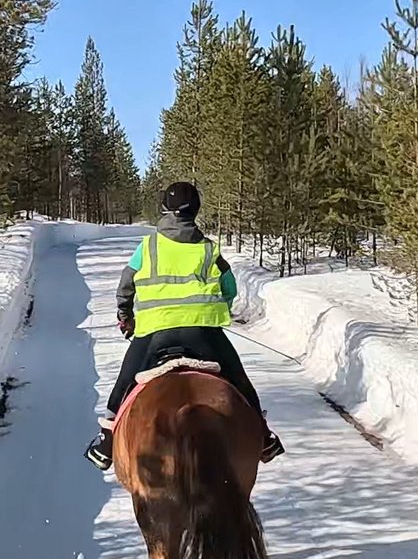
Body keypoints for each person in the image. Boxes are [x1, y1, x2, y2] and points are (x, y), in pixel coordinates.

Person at [86, 181, 284, 470]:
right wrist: (214, 309)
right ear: (196, 211)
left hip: (154, 333)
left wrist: (125, 317)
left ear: (164, 208)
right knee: (239, 380)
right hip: (204, 334)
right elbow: (229, 288)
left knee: (125, 381)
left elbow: (125, 286)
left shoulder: (148, 246)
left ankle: (106, 440)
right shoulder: (208, 249)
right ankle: (263, 437)